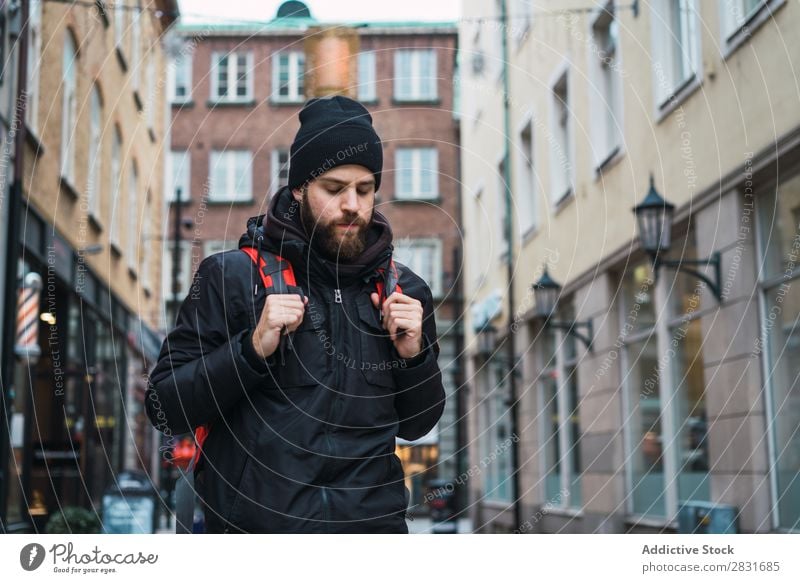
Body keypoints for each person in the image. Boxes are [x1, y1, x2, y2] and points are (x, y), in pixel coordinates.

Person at [146, 96, 446, 533]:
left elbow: (419, 424)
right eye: (334, 188)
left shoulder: (404, 291)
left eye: (364, 190)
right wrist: (250, 352)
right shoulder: (231, 278)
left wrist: (414, 356)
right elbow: (163, 407)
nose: (352, 205)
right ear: (301, 187)